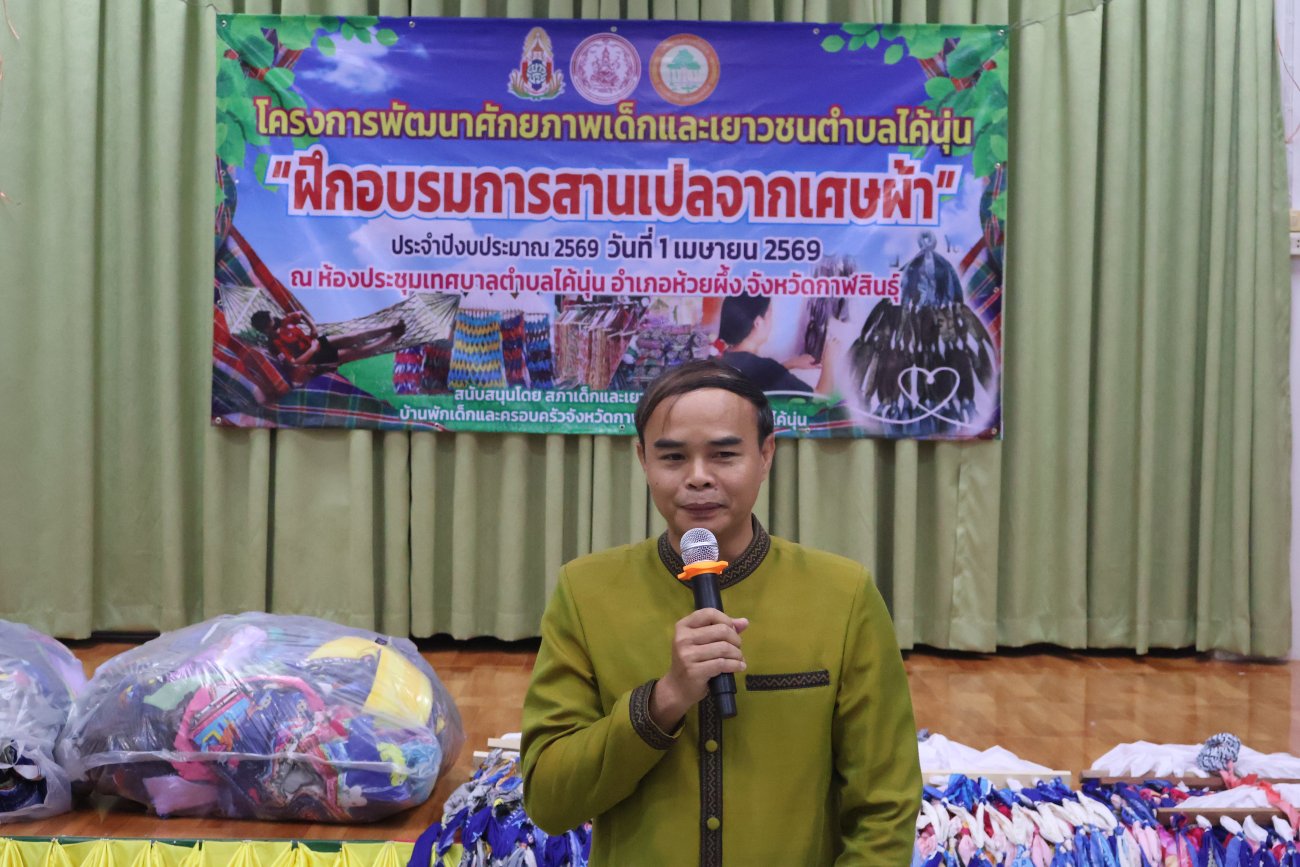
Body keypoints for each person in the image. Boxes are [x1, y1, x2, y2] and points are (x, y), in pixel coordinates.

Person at [521, 359, 921, 866]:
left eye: (724, 455)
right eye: (672, 457)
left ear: (766, 454)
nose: (698, 478)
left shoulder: (844, 596)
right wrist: (662, 701)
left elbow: (885, 806)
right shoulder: (586, 592)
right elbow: (549, 800)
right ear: (642, 459)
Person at [718, 294, 839, 394]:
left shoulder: (723, 359)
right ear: (758, 323)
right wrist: (829, 360)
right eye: (770, 314)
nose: (771, 320)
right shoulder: (768, 368)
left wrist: (789, 364)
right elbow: (821, 399)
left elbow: (757, 378)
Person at [250, 309, 406, 367]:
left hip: (316, 342)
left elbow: (301, 314)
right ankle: (391, 339)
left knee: (352, 336)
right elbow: (294, 363)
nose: (275, 319)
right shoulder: (274, 344)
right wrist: (312, 350)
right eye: (271, 319)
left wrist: (313, 328)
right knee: (355, 352)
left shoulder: (282, 322)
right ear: (266, 328)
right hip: (314, 358)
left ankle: (391, 328)